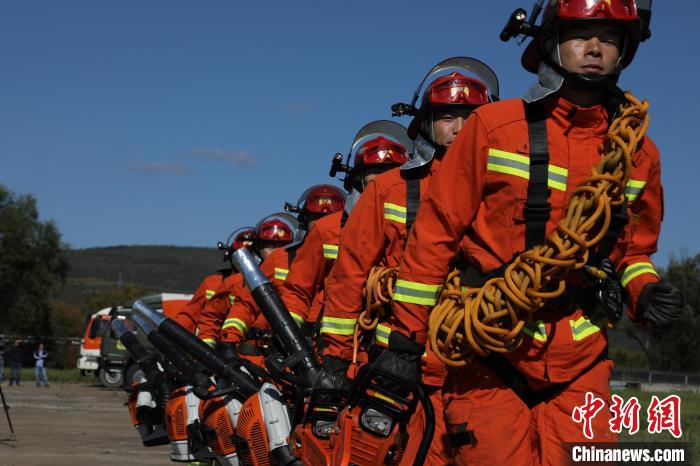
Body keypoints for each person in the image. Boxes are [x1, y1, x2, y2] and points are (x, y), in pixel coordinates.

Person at [380, 1, 684, 464]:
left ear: (625, 50)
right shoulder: (493, 128)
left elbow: (634, 252)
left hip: (580, 359)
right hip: (490, 354)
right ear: (550, 42)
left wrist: (644, 290)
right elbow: (434, 238)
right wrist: (404, 341)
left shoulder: (638, 154)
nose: (595, 48)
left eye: (609, 37)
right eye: (581, 34)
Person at [318, 58, 497, 465]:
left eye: (470, 117)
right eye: (446, 116)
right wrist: (333, 360)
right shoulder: (388, 190)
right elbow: (348, 278)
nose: (458, 128)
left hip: (482, 365)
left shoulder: (504, 188)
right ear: (425, 124)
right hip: (401, 368)